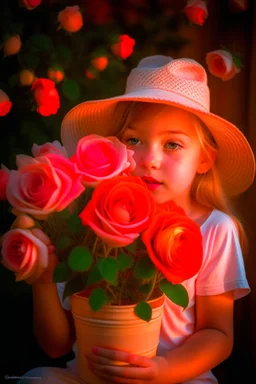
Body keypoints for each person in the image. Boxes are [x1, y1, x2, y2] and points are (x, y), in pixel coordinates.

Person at [17, 55, 255, 384]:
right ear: (113, 148)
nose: (150, 160)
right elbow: (56, 345)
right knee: (37, 379)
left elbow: (217, 333)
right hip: (90, 376)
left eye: (172, 144)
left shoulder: (215, 229)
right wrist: (42, 281)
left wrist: (163, 370)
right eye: (133, 141)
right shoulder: (90, 223)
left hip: (178, 376)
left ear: (204, 159)